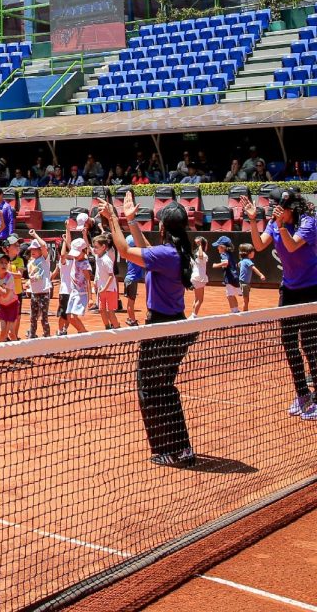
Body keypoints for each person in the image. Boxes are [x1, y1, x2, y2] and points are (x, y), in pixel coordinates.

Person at [105, 196, 196, 467]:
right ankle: (182, 448)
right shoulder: (176, 251)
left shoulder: (166, 254)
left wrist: (113, 218)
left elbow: (124, 251)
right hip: (175, 327)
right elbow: (146, 250)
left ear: (163, 228)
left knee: (149, 390)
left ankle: (170, 449)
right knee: (164, 388)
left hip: (160, 329)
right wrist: (131, 220)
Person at [243, 189, 317, 419]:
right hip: (289, 289)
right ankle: (302, 394)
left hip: (311, 289)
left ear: (289, 208)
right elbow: (259, 245)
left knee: (310, 345)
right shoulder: (273, 223)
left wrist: (281, 226)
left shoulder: (308, 223)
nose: (272, 210)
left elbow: (292, 246)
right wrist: (253, 220)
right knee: (289, 343)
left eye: (277, 207)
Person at [26, 232, 52, 338]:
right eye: (31, 249)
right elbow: (32, 276)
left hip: (44, 292)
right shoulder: (30, 263)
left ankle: (47, 335)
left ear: (40, 251)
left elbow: (44, 245)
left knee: (44, 317)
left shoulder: (45, 259)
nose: (33, 251)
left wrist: (35, 235)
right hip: (34, 292)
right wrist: (28, 283)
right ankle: (32, 335)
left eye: (35, 249)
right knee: (33, 316)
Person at [92, 232, 119, 330]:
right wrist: (96, 282)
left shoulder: (106, 260)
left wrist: (104, 288)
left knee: (110, 312)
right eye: (94, 247)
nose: (94, 249)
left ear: (103, 247)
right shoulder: (97, 256)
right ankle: (107, 328)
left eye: (96, 247)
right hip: (101, 289)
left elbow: (111, 276)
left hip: (110, 289)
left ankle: (117, 329)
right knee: (102, 310)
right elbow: (99, 272)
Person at [0, 253, 20, 342]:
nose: (4, 265)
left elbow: (5, 294)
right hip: (3, 307)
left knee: (11, 332)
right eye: (1, 262)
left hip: (12, 306)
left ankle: (18, 351)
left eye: (6, 263)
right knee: (2, 332)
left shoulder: (9, 277)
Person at [214, 236, 241, 313]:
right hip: (234, 277)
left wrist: (215, 265)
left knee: (229, 296)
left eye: (218, 246)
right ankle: (236, 310)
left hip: (229, 277)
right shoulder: (230, 254)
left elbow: (225, 263)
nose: (217, 248)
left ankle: (234, 311)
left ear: (222, 247)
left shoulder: (223, 254)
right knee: (232, 295)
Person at [238, 243, 265, 311]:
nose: (254, 253)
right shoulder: (247, 261)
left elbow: (239, 264)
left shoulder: (243, 260)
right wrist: (261, 275)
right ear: (248, 253)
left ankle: (245, 312)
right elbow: (254, 268)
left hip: (243, 283)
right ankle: (245, 313)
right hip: (244, 284)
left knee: (246, 300)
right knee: (246, 301)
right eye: (253, 251)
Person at [190, 237, 209, 318]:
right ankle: (193, 316)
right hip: (199, 278)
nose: (207, 246)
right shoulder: (200, 253)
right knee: (200, 300)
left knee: (196, 298)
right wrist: (200, 245)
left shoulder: (194, 253)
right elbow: (201, 256)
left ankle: (193, 314)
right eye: (206, 244)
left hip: (196, 277)